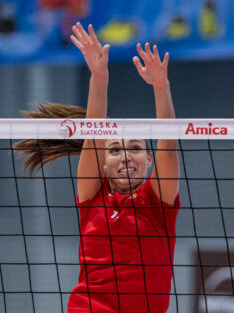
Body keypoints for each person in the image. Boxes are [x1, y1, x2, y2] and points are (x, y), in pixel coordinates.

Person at [14, 22, 180, 313]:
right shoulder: (93, 195)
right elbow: (94, 129)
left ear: (149, 160)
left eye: (136, 148)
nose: (126, 156)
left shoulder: (159, 202)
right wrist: (99, 76)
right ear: (102, 162)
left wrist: (160, 86)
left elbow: (168, 145)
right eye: (115, 150)